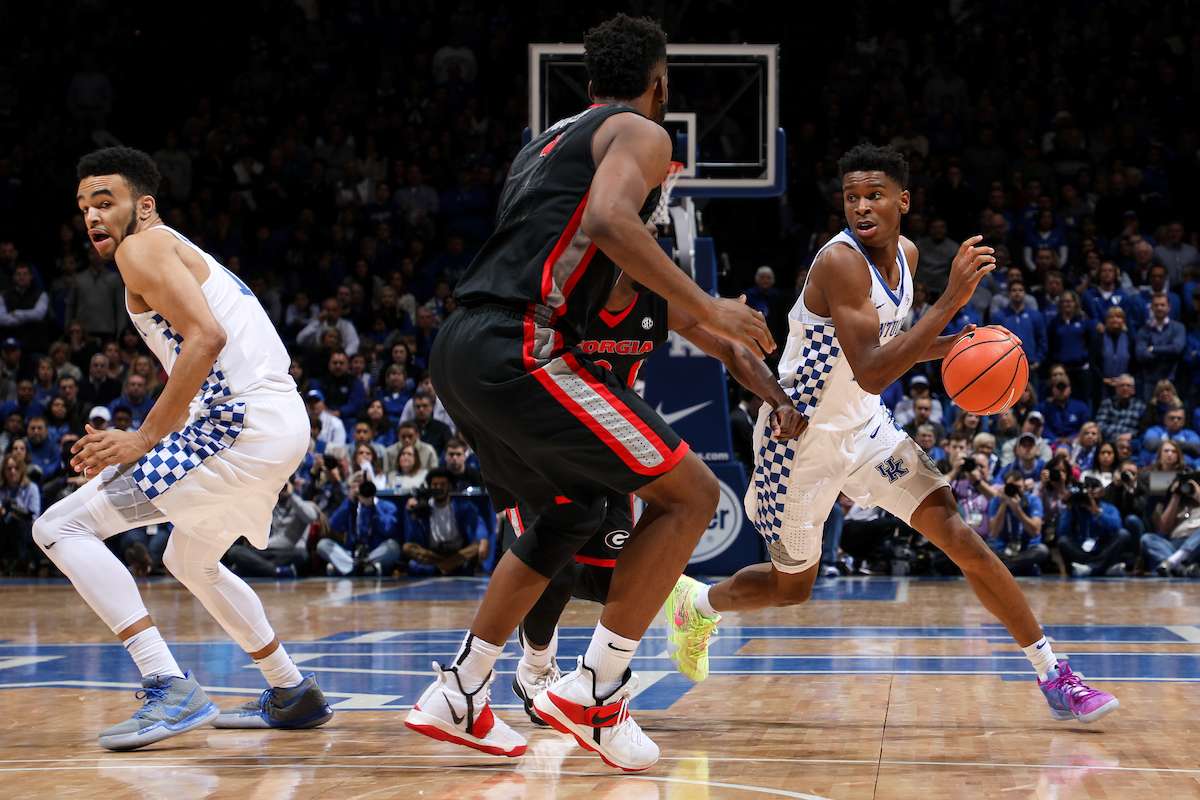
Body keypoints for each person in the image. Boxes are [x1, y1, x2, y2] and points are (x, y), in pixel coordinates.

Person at [403, 15, 776, 771]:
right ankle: (596, 692)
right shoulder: (642, 133)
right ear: (660, 84)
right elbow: (608, 220)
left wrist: (713, 335)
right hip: (523, 342)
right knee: (693, 495)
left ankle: (462, 690)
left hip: (461, 345)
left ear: (587, 82)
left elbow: (585, 247)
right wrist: (710, 305)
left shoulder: (542, 146)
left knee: (569, 512)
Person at [665, 143, 1118, 727]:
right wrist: (951, 300)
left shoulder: (905, 254)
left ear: (903, 201)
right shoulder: (840, 262)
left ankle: (1054, 674)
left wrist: (963, 347)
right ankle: (696, 603)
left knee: (961, 538)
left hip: (867, 426)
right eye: (851, 197)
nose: (861, 206)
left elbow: (892, 350)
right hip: (799, 438)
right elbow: (874, 368)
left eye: (874, 195)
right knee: (791, 588)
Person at [35, 147, 332, 752]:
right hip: (276, 419)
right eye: (84, 206)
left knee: (59, 528)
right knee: (190, 560)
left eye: (105, 202)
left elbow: (207, 337)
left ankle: (168, 685)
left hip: (237, 423)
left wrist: (143, 438)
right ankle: (291, 690)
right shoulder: (173, 248)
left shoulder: (141, 248)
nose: (92, 216)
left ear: (143, 206)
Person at [403, 467, 491, 576]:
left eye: (442, 484)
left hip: (458, 552)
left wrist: (483, 539)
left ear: (449, 486)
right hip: (433, 553)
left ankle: (436, 570)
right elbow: (414, 539)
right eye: (435, 485)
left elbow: (478, 523)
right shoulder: (424, 507)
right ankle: (454, 567)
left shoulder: (461, 506)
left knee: (479, 545)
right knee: (407, 548)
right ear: (430, 486)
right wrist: (413, 517)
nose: (438, 488)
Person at [318, 473, 401, 577]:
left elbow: (388, 529)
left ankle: (348, 568)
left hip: (374, 552)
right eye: (359, 485)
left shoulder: (386, 506)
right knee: (323, 544)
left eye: (365, 485)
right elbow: (334, 525)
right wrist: (349, 501)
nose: (362, 489)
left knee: (393, 547)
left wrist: (372, 506)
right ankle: (365, 568)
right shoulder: (350, 505)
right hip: (351, 554)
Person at [1057, 476, 1131, 577]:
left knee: (1123, 534)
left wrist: (1097, 511)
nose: (1091, 490)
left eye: (1095, 486)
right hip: (1081, 552)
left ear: (1103, 492)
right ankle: (1102, 568)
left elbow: (1117, 527)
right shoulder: (1076, 509)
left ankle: (1089, 568)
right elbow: (1062, 533)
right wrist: (1069, 509)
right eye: (1087, 487)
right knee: (1063, 541)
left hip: (1103, 551)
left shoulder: (1109, 508)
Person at [1142, 471, 1200, 577]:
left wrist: (1198, 494)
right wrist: (1175, 497)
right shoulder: (1181, 507)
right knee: (1147, 538)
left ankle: (1172, 562)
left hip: (1196, 547)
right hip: (1174, 546)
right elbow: (1164, 529)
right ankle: (1180, 568)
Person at [1095, 374, 1146, 443]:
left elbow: (1143, 428)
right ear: (1116, 389)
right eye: (1122, 385)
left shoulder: (1141, 406)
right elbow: (1100, 425)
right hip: (1109, 441)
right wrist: (1116, 436)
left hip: (1130, 442)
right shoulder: (1107, 403)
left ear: (1134, 390)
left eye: (1128, 386)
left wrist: (1131, 435)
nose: (1125, 388)